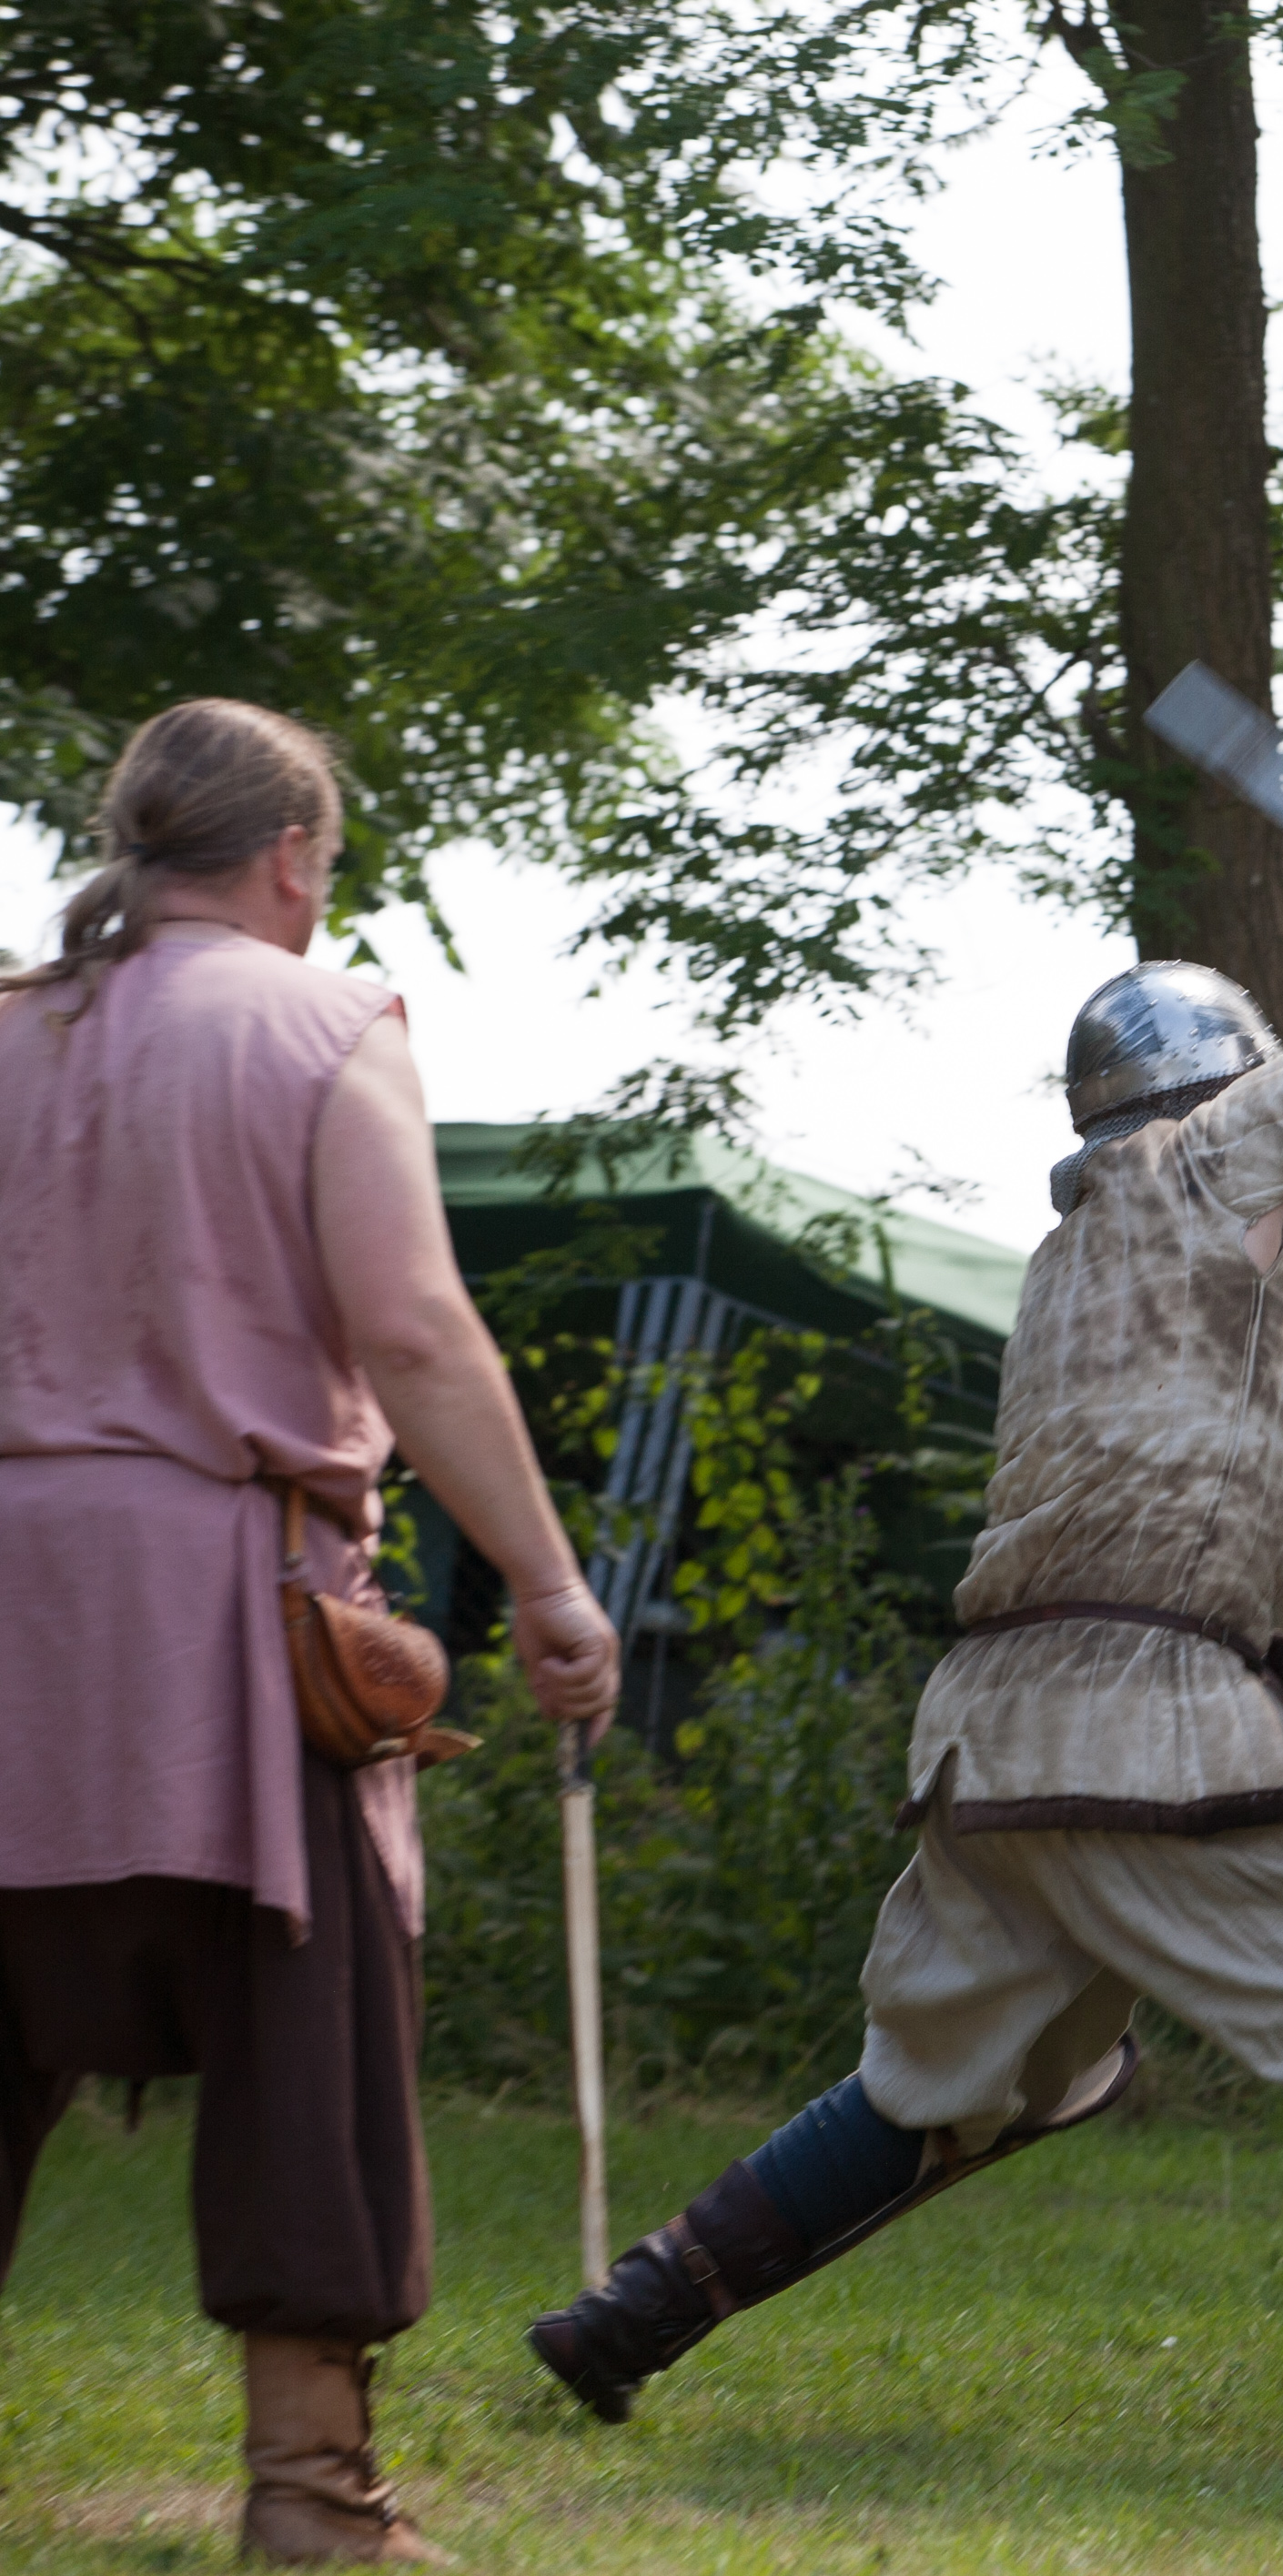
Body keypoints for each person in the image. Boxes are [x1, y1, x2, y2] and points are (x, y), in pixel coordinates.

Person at [522, 716, 1283, 2478]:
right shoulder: (1223, 1154)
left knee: (946, 2089)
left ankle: (624, 2319)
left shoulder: (1088, 1268)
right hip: (1140, 1711)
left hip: (997, 1733)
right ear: (1231, 1082)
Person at [0, 699, 625, 2564]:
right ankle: (308, 2495)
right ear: (290, 858)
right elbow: (414, 1329)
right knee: (304, 2036)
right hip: (228, 1615)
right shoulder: (324, 1020)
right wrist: (549, 1585)